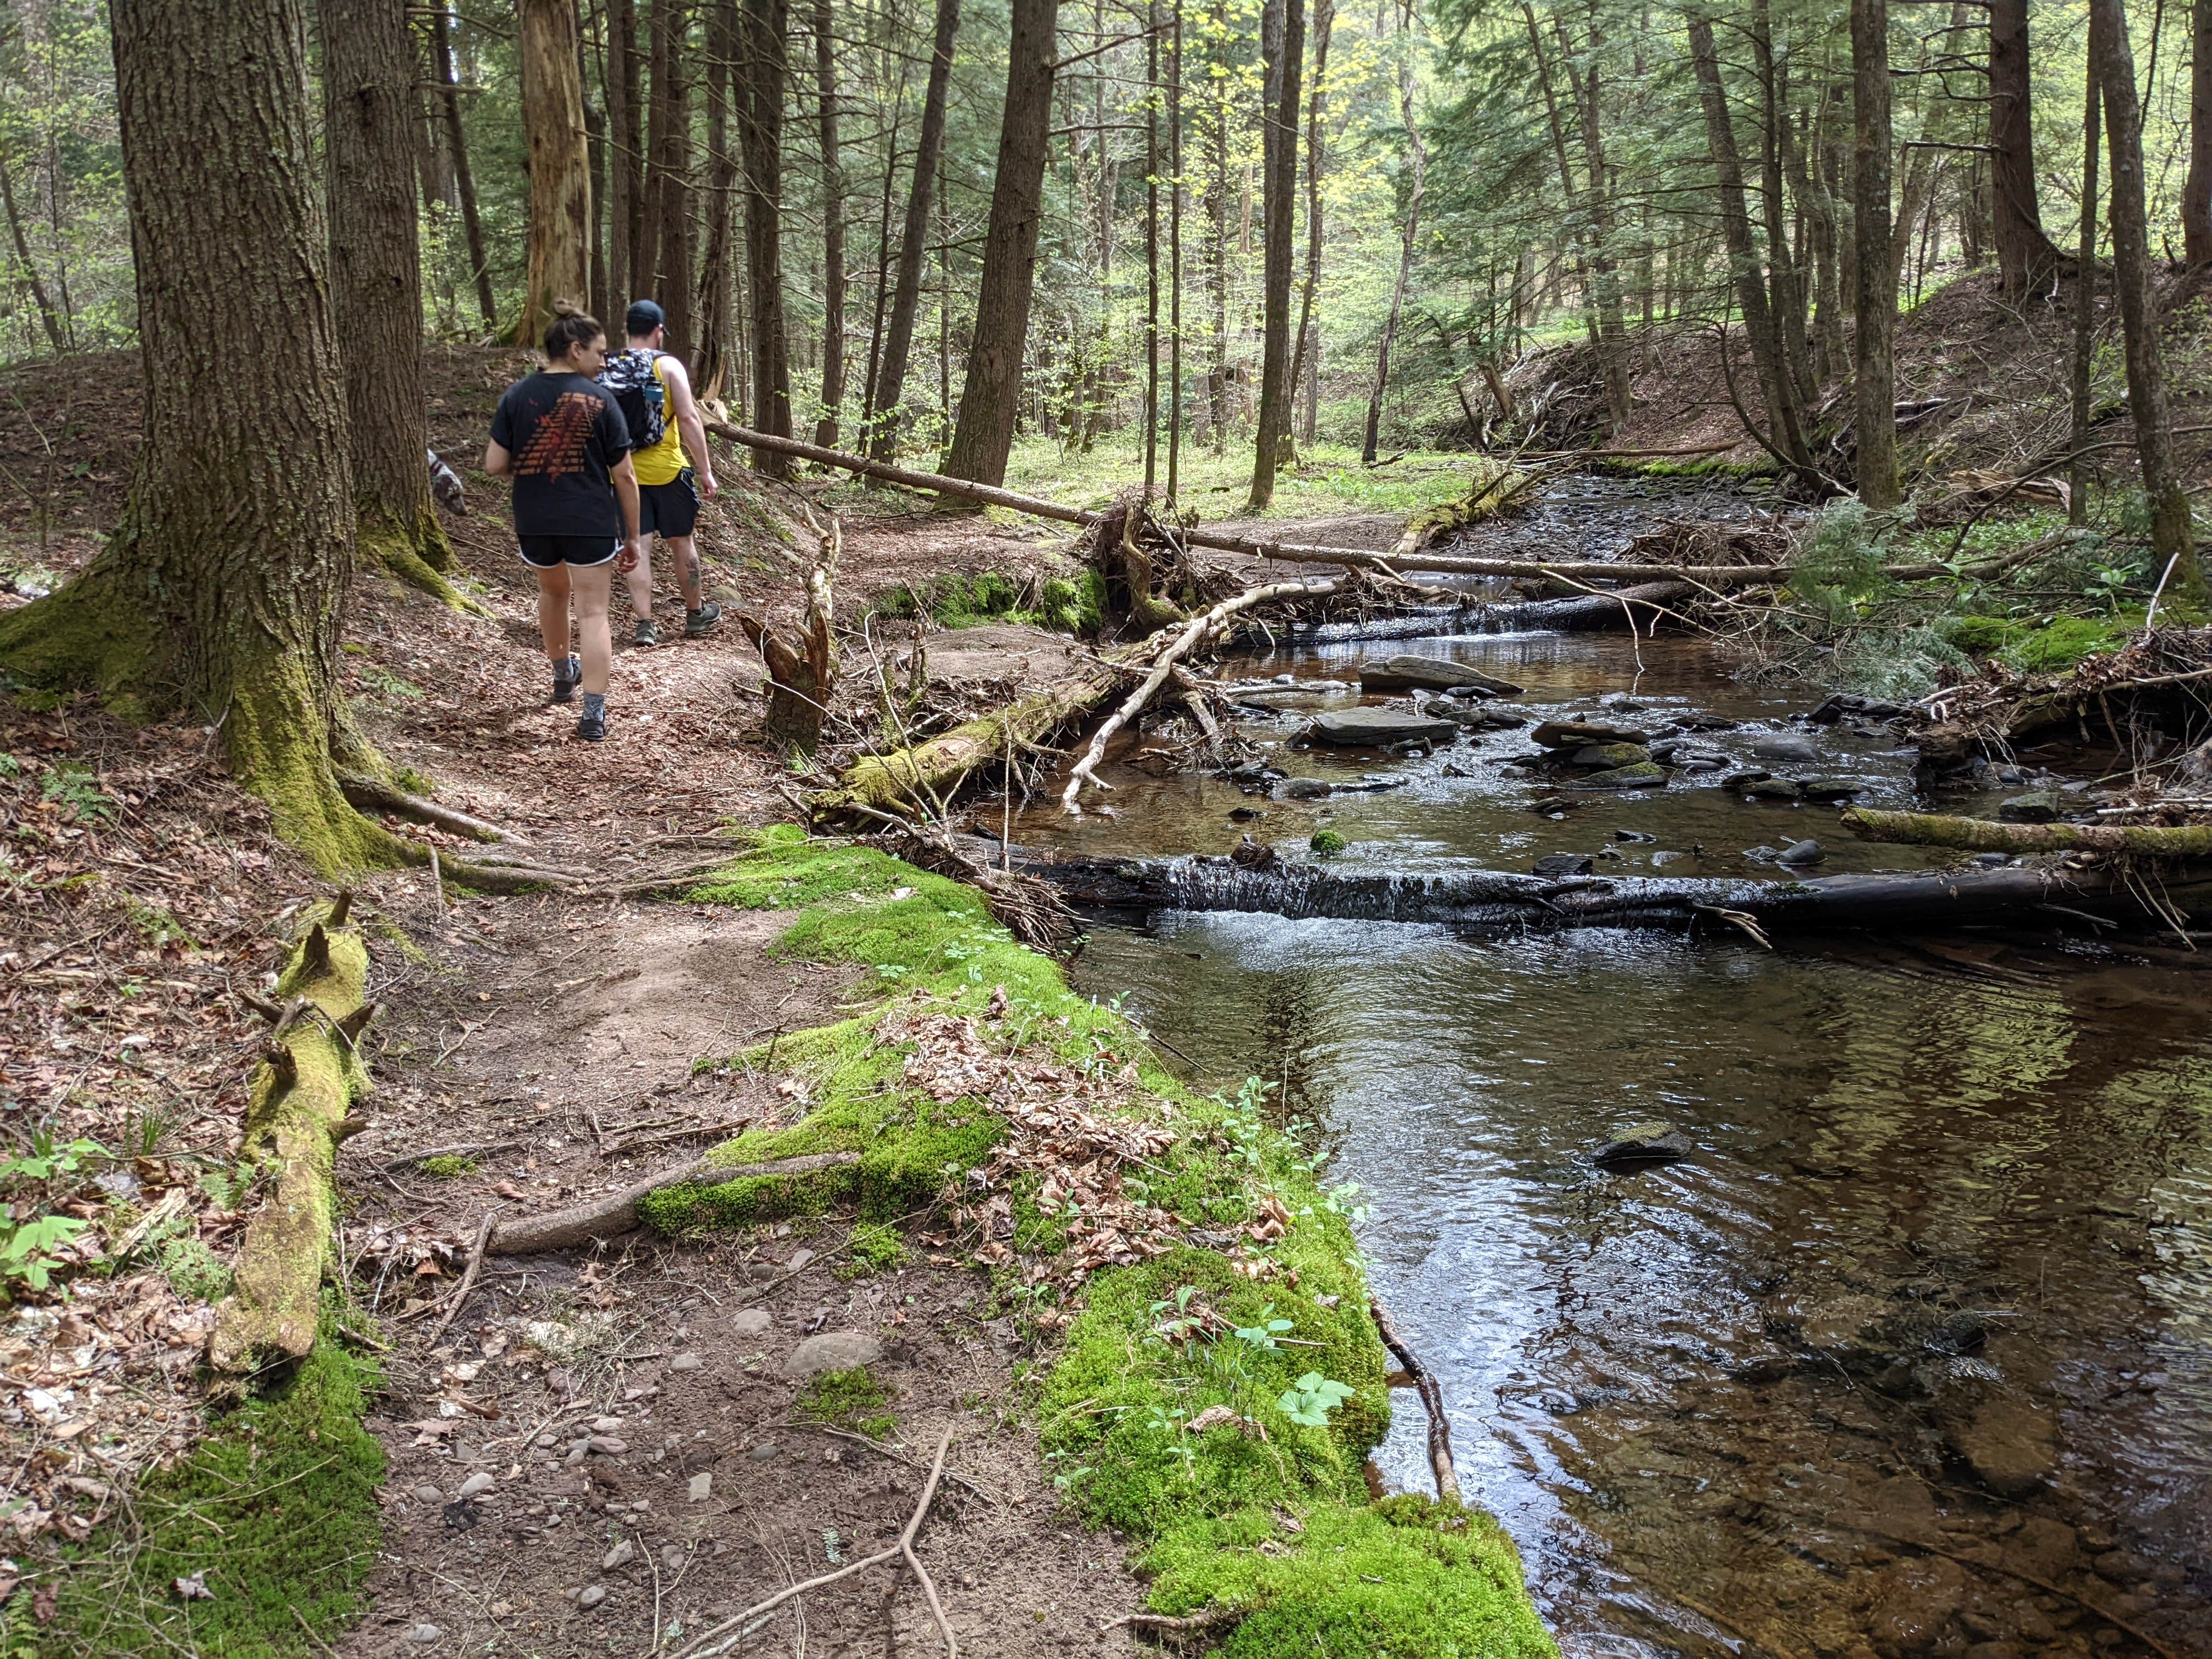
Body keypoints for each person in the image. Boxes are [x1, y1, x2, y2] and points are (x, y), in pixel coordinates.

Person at [484, 303, 645, 742]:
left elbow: (494, 463)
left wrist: (536, 459)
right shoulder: (601, 400)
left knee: (552, 594)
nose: (604, 360)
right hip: (589, 518)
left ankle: (561, 676)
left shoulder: (517, 395)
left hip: (535, 519)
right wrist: (632, 535)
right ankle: (593, 715)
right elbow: (626, 475)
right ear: (575, 350)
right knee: (593, 611)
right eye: (599, 351)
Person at [598, 298, 723, 646]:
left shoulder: (606, 366)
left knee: (637, 544)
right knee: (682, 542)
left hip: (621, 475)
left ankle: (645, 625)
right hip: (668, 471)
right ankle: (696, 614)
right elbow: (688, 417)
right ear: (658, 331)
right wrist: (706, 471)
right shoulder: (669, 366)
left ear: (627, 329)